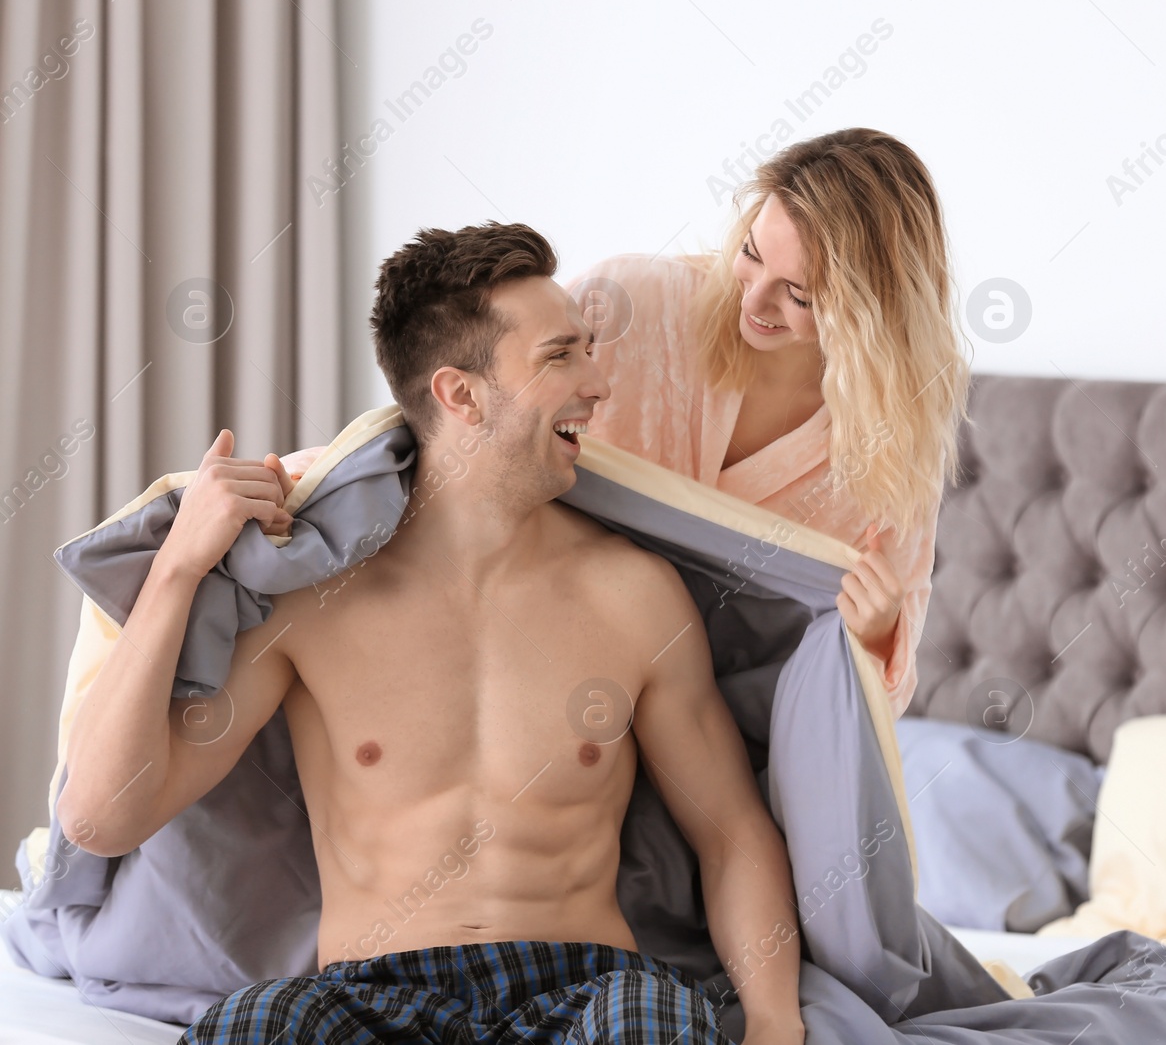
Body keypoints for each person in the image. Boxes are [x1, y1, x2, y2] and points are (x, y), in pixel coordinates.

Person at [54, 223, 804, 1045]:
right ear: (461, 393)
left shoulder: (636, 596)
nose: (598, 383)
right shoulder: (310, 601)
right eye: (561, 356)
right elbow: (100, 817)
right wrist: (178, 569)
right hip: (369, 993)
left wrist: (773, 1022)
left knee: (654, 1026)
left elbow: (731, 832)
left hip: (589, 988)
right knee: (255, 1025)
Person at [565, 127, 971, 718]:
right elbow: (495, 426)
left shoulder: (892, 440)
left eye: (799, 296)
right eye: (752, 255)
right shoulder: (623, 305)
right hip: (551, 648)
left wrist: (880, 634)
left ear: (869, 312)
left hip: (720, 715)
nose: (752, 302)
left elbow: (885, 695)